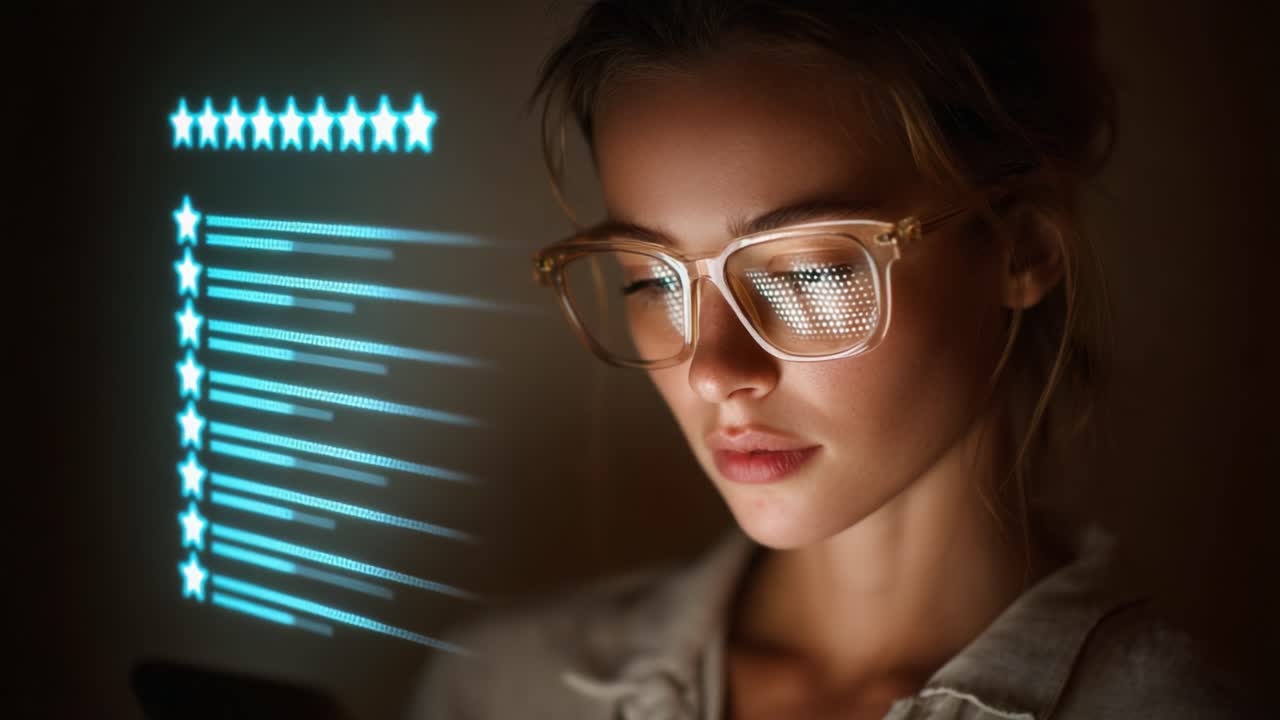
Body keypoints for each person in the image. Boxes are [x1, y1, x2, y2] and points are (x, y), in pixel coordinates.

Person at [409, 1, 1251, 717]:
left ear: (1018, 246)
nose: (712, 368)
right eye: (651, 282)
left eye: (807, 270)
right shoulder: (502, 691)